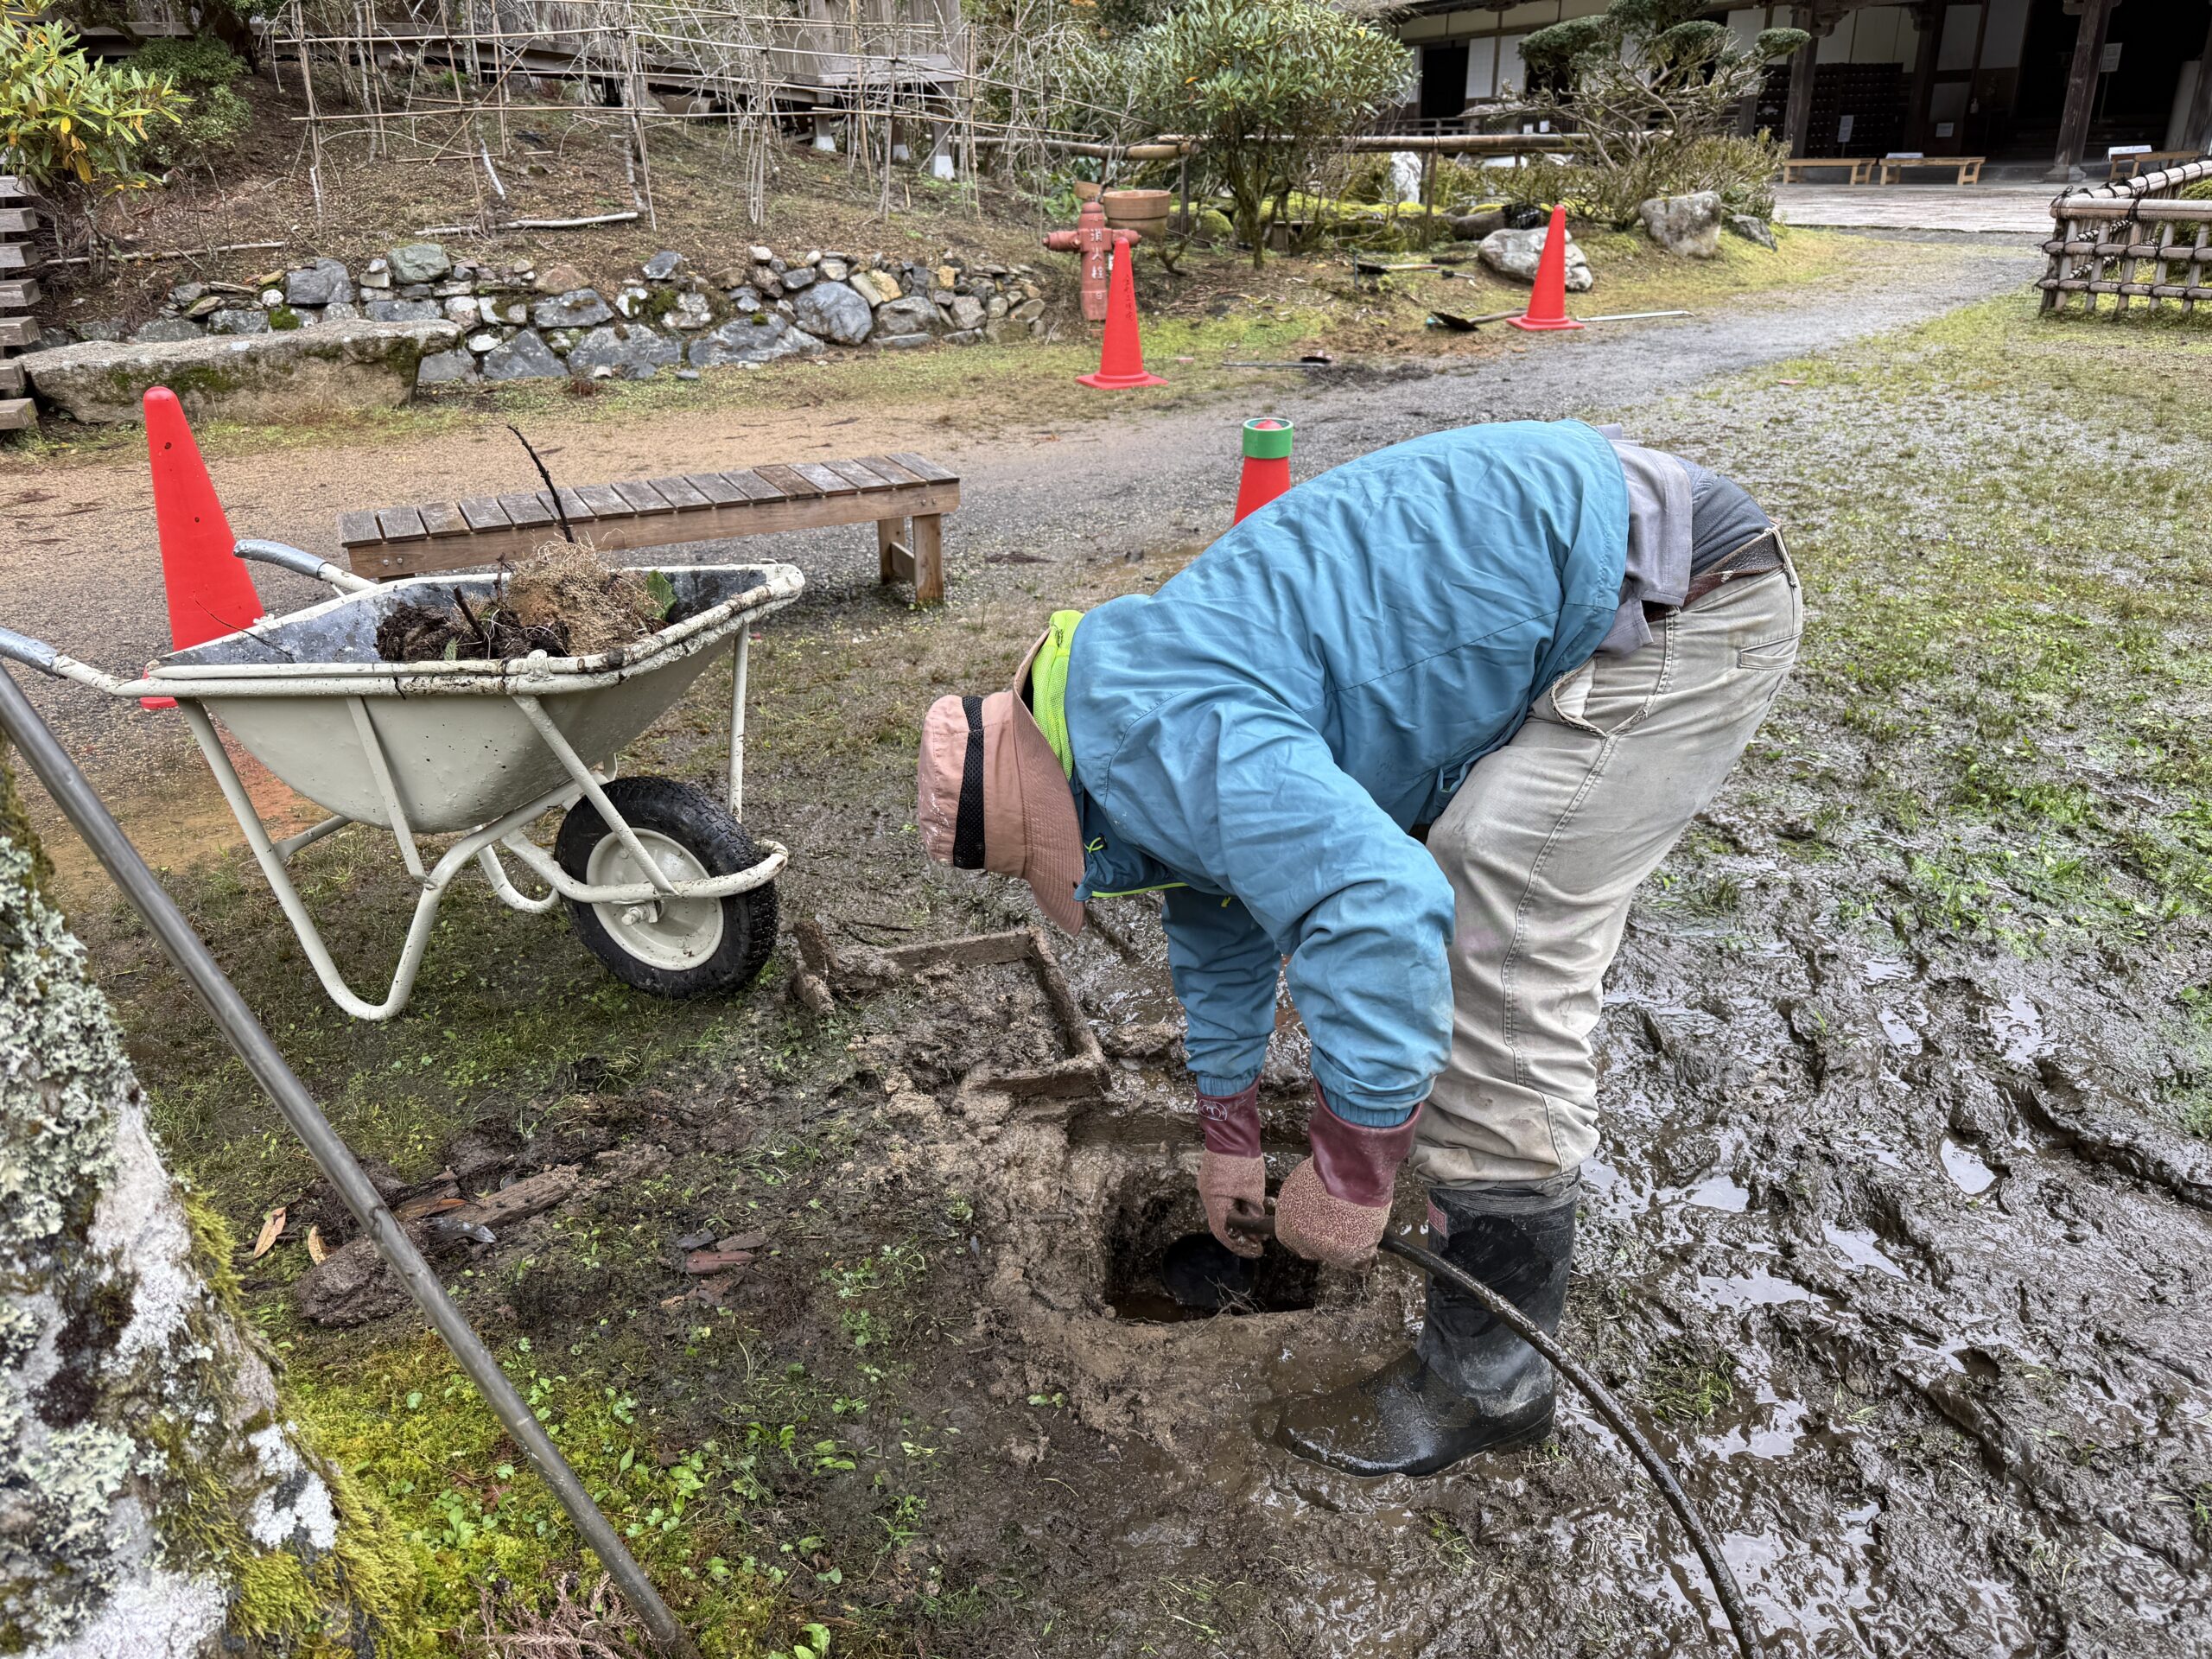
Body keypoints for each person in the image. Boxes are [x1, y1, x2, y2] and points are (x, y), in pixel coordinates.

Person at [913, 419, 1799, 1477]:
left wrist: (1353, 1170)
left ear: (1062, 803)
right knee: (1450, 916)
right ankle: (1470, 1182)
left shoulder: (1159, 731)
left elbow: (1380, 908)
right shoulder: (1115, 697)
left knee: (1494, 930)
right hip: (1614, 557)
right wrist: (1228, 1129)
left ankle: (1489, 1385)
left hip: (1677, 600)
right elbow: (1223, 898)